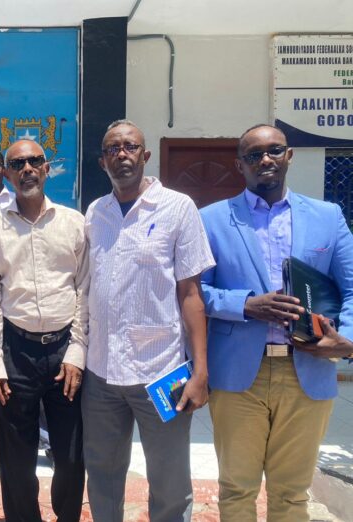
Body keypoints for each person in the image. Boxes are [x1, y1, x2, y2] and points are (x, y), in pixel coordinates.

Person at [200, 123, 353, 522]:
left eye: (274, 151)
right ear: (239, 165)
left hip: (307, 369)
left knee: (291, 493)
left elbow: (352, 288)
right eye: (253, 155)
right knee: (236, 489)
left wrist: (346, 341)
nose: (264, 160)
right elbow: (193, 291)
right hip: (237, 375)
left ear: (289, 156)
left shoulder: (327, 217)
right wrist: (245, 304)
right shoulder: (211, 219)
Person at [83, 119, 215, 521]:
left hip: (162, 371)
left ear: (145, 155)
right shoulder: (96, 212)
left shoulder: (178, 207)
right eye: (112, 149)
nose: (121, 154)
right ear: (102, 159)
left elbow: (191, 294)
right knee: (102, 478)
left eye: (129, 146)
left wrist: (200, 372)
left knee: (170, 482)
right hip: (101, 373)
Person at [0, 138, 88, 522]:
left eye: (35, 161)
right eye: (17, 163)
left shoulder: (74, 222)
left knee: (71, 457)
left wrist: (78, 351)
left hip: (64, 353)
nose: (27, 169)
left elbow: (84, 289)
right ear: (6, 173)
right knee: (16, 461)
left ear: (46, 168)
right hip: (15, 351)